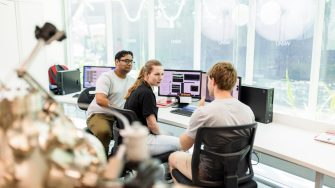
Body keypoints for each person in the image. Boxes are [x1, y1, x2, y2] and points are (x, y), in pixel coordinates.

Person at [168, 62, 255, 181]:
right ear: (233, 84)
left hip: (209, 173)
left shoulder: (203, 113)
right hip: (239, 172)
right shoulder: (248, 111)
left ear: (213, 81)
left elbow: (184, 145)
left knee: (173, 157)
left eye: (208, 80)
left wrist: (196, 115)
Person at [124, 59, 180, 156]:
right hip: (142, 140)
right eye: (157, 74)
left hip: (131, 138)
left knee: (170, 135)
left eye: (162, 74)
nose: (161, 78)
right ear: (146, 74)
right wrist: (162, 135)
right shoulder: (147, 93)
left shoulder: (138, 88)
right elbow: (152, 126)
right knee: (182, 144)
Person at [87, 50, 135, 155]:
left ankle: (116, 157)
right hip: (100, 114)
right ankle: (101, 160)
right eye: (126, 61)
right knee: (104, 132)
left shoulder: (132, 81)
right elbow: (100, 100)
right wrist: (118, 110)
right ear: (116, 62)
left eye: (131, 61)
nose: (129, 64)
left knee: (134, 133)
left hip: (118, 115)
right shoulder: (106, 77)